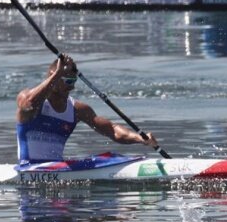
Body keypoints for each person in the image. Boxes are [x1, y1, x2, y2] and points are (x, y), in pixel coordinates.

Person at [16, 55, 158, 163]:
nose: (72, 87)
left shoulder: (77, 109)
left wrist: (139, 138)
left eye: (74, 81)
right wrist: (58, 74)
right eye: (68, 81)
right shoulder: (28, 98)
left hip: (57, 170)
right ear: (53, 77)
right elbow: (29, 104)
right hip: (28, 168)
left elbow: (111, 130)